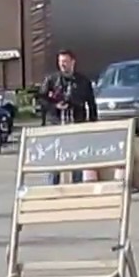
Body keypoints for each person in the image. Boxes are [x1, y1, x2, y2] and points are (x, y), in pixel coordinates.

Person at [38, 49, 97, 184]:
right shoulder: (51, 80)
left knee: (76, 158)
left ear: (73, 62)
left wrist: (93, 124)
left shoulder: (83, 81)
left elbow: (91, 103)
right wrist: (54, 105)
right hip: (56, 125)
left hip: (76, 124)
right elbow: (41, 99)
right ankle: (52, 187)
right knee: (55, 158)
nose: (63, 65)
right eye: (60, 62)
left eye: (65, 61)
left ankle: (76, 186)